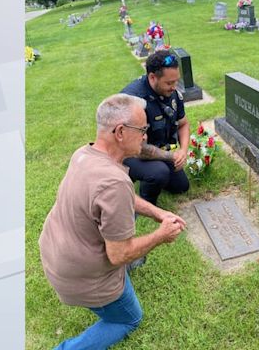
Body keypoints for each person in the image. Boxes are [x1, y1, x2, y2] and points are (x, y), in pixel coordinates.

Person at [39, 94, 186, 350]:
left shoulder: (85, 154)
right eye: (142, 129)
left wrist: (158, 213)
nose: (145, 136)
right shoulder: (113, 183)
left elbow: (123, 197)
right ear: (120, 132)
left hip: (56, 251)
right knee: (129, 318)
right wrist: (161, 235)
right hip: (79, 274)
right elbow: (119, 255)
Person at [121, 50, 190, 205]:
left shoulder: (173, 94)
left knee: (181, 186)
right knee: (159, 173)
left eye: (176, 81)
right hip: (128, 153)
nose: (174, 87)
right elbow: (138, 148)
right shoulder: (133, 100)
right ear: (152, 77)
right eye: (169, 83)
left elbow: (183, 124)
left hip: (157, 150)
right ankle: (145, 200)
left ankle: (151, 174)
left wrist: (182, 151)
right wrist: (171, 157)